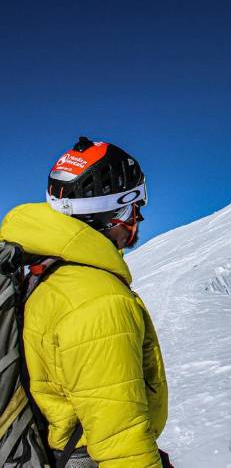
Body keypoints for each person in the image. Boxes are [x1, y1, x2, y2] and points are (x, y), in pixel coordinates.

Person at [0, 137, 169, 467]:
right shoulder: (98, 300)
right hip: (84, 456)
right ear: (109, 215)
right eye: (132, 208)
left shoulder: (37, 269)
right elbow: (122, 442)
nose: (138, 220)